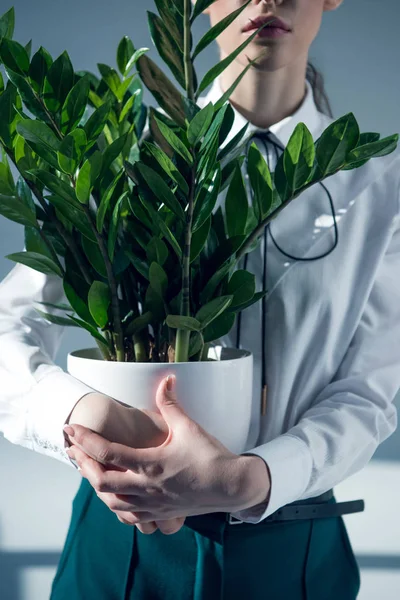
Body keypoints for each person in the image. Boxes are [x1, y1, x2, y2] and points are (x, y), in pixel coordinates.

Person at [1, 0, 399, 598]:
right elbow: (10, 326)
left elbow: (370, 392)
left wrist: (252, 477)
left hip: (293, 551)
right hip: (124, 542)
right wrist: (84, 416)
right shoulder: (121, 160)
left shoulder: (378, 186)